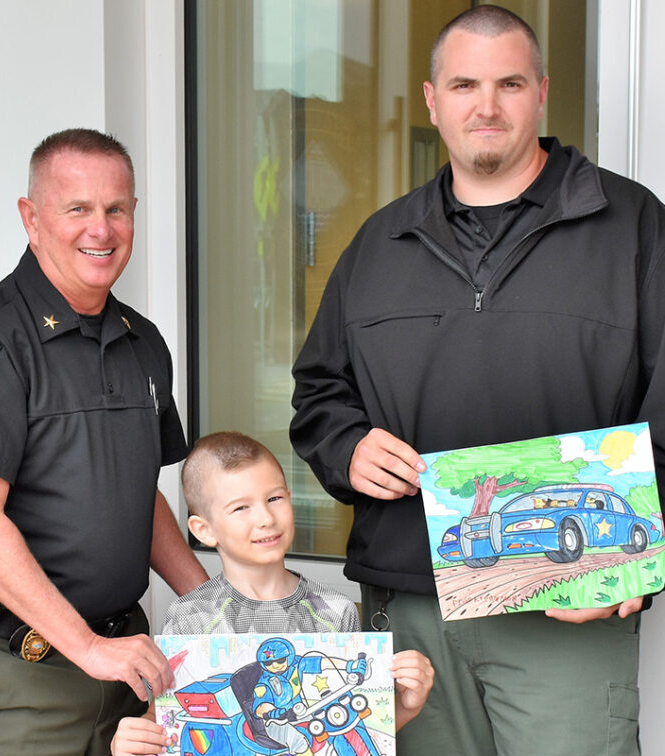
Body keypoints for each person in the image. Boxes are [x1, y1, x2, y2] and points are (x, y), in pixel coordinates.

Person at [290, 5, 663, 754]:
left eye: (508, 84)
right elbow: (319, 393)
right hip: (409, 605)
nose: (485, 106)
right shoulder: (378, 242)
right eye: (464, 84)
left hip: (567, 595)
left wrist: (639, 559)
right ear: (433, 100)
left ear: (540, 93)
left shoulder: (634, 226)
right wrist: (349, 448)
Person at [0, 127, 209, 755]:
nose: (100, 229)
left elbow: (138, 495)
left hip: (125, 664)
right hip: (15, 677)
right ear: (31, 218)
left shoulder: (143, 342)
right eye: (77, 208)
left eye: (116, 209)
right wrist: (88, 648)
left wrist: (211, 605)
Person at [111, 432, 433, 756]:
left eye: (274, 499)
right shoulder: (189, 619)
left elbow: (352, 729)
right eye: (241, 508)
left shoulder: (337, 612)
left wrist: (406, 706)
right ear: (204, 530)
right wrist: (130, 743)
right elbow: (169, 722)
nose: (266, 518)